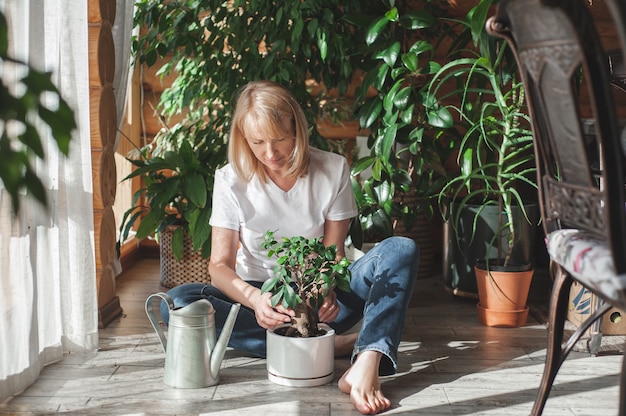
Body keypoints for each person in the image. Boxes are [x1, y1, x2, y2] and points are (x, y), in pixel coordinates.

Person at [161, 80, 419, 415]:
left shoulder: (333, 168)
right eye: (257, 142)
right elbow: (219, 266)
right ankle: (324, 344)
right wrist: (256, 299)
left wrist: (325, 284)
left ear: (296, 128)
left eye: (280, 138)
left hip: (325, 303)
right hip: (262, 300)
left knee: (401, 249)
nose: (270, 153)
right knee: (178, 303)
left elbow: (334, 254)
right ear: (243, 139)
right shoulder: (230, 179)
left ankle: (366, 360)